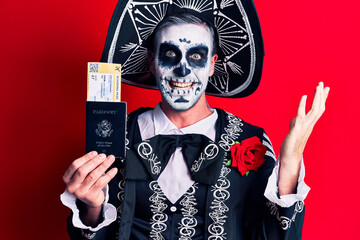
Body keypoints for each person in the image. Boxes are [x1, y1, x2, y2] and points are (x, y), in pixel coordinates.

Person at [61, 1, 329, 239]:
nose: (183, 69)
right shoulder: (115, 135)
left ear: (212, 64)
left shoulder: (251, 141)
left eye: (196, 56)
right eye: (169, 54)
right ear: (152, 62)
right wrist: (91, 208)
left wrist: (291, 161)